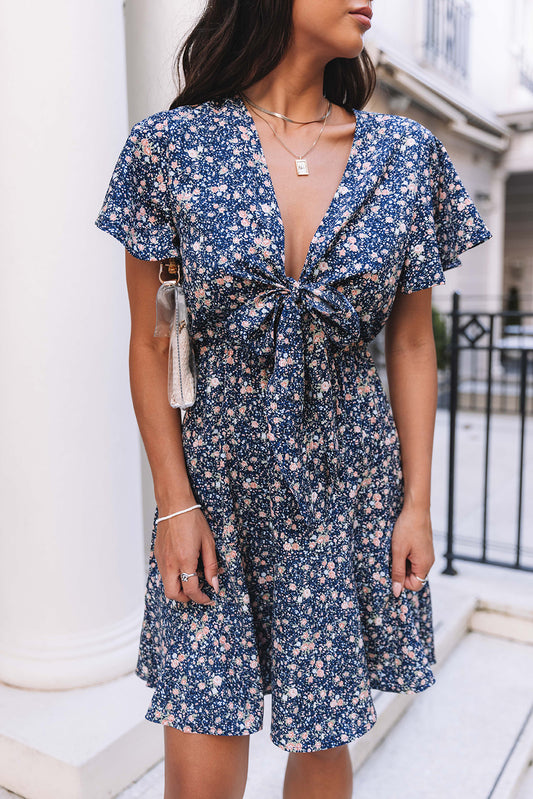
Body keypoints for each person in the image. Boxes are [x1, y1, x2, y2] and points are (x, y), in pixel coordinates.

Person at [95, 1, 492, 797]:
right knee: (201, 741)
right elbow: (149, 340)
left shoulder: (404, 156)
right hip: (216, 487)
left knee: (323, 734)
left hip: (350, 487)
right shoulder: (169, 148)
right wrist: (175, 504)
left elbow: (412, 344)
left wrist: (414, 504)